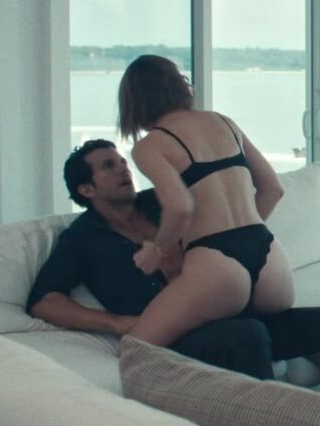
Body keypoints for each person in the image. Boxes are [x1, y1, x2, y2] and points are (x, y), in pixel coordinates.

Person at [26, 139, 320, 392]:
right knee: (248, 334)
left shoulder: (164, 204)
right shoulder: (82, 238)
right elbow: (44, 301)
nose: (123, 169)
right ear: (87, 189)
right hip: (174, 334)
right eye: (108, 166)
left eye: (121, 161)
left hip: (232, 310)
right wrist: (117, 323)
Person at [115, 54, 296, 344]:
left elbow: (179, 206)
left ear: (133, 102)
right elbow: (273, 189)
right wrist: (242, 234)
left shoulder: (150, 146)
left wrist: (157, 250)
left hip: (216, 264)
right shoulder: (224, 123)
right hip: (270, 258)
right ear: (180, 86)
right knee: (255, 337)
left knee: (135, 349)